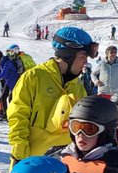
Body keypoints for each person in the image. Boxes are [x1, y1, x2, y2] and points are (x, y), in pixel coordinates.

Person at [7, 26, 92, 164]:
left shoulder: (78, 86)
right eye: (83, 57)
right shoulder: (34, 77)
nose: (85, 63)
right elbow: (17, 115)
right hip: (32, 159)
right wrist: (19, 152)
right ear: (68, 56)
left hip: (65, 161)